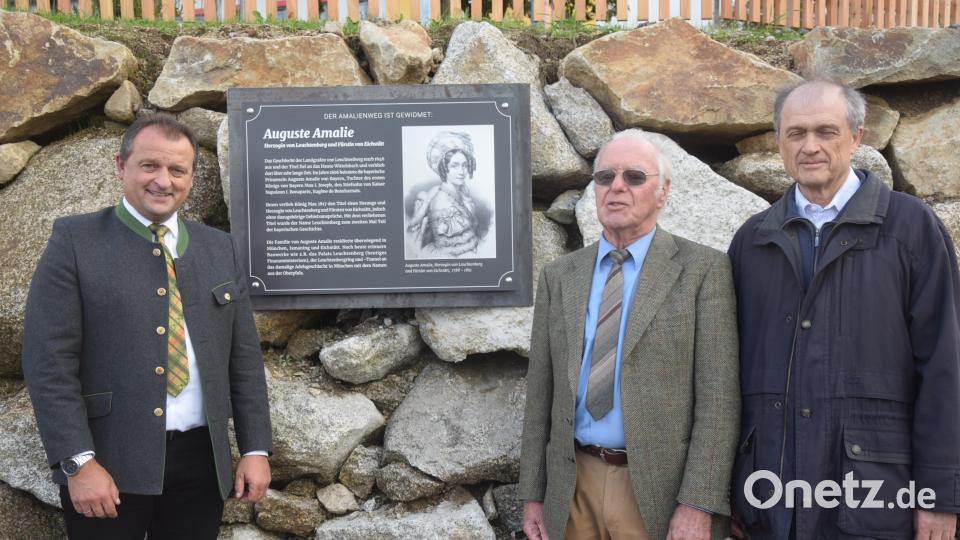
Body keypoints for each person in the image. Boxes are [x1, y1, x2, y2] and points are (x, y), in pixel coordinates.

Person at [22, 114, 272, 540]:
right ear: (122, 167)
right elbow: (48, 364)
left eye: (177, 170)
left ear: (191, 177)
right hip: (108, 459)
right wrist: (77, 462)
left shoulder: (219, 247)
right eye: (149, 166)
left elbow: (243, 358)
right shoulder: (75, 242)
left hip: (200, 461)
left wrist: (254, 448)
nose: (163, 180)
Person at [728, 80, 960, 539]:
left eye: (826, 132)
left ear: (857, 137)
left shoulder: (911, 230)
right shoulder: (752, 241)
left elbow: (945, 368)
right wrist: (730, 486)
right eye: (795, 133)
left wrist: (940, 494)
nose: (809, 146)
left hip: (875, 500)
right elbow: (728, 377)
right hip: (772, 503)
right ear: (779, 142)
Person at [519, 129, 740, 540]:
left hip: (655, 489)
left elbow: (719, 401)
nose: (616, 187)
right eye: (605, 177)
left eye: (634, 177)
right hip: (571, 487)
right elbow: (541, 395)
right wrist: (533, 493)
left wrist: (698, 503)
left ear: (663, 192)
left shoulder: (703, 271)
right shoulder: (559, 276)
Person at [406, 131, 483, 257]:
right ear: (443, 168)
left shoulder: (460, 192)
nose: (461, 171)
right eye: (455, 166)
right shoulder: (443, 203)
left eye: (464, 165)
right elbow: (455, 252)